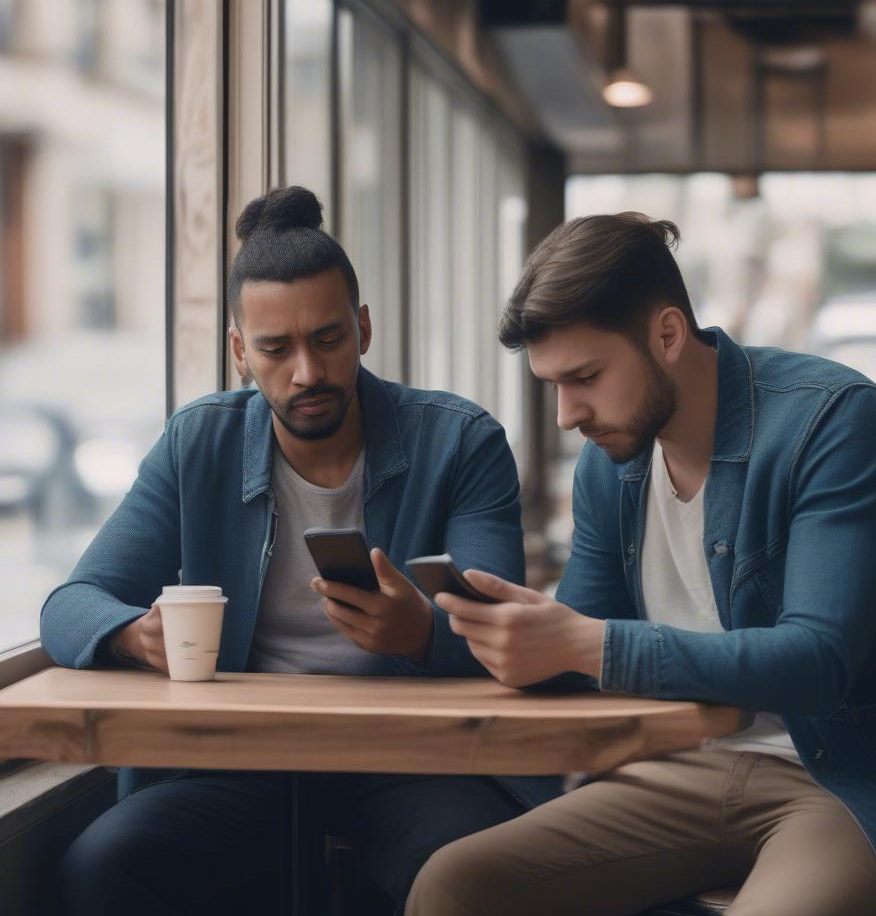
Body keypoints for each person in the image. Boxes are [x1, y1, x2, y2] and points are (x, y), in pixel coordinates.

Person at [406, 212, 876, 916]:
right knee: (455, 884)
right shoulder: (611, 468)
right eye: (553, 386)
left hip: (859, 782)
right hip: (692, 768)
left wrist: (581, 642)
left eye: (587, 377)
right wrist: (519, 638)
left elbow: (816, 662)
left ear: (667, 334)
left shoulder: (835, 423)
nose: (568, 414)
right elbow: (588, 643)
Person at [40, 187, 554, 916]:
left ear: (364, 328)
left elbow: (509, 630)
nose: (307, 372)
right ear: (240, 351)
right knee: (103, 867)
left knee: (488, 881)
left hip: (413, 758)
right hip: (239, 759)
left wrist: (422, 635)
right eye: (277, 349)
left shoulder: (460, 441)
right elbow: (69, 607)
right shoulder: (199, 444)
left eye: (329, 339)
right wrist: (133, 636)